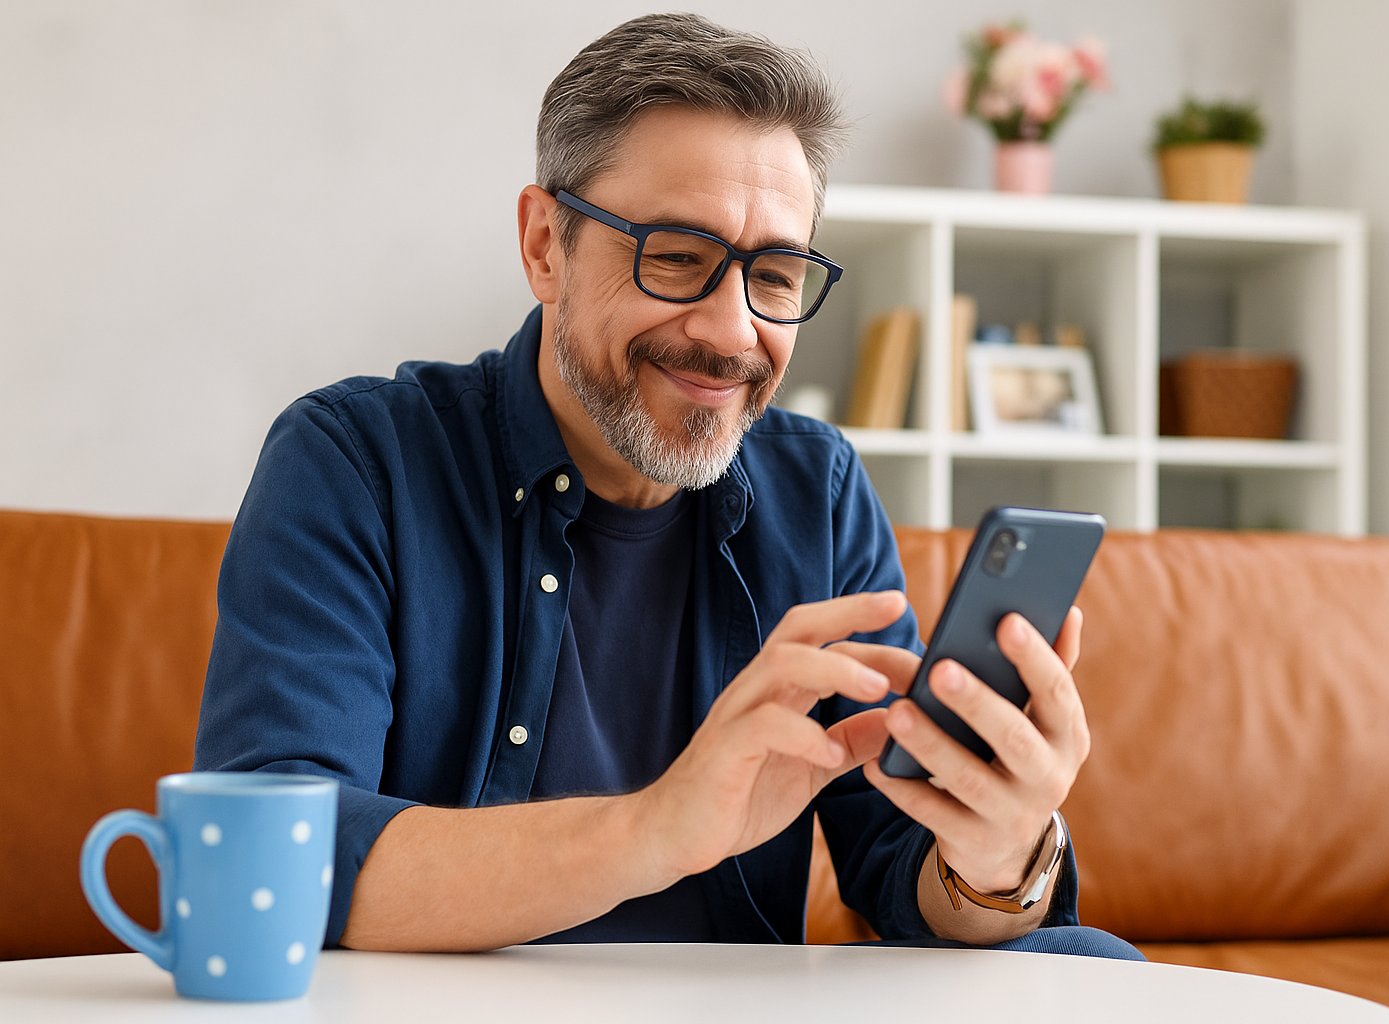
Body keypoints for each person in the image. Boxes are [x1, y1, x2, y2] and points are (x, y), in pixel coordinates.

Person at [194, 13, 1140, 960]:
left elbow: (899, 864)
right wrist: (656, 829)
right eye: (678, 258)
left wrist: (1000, 854)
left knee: (1090, 969)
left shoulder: (818, 491)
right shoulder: (356, 462)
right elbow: (268, 861)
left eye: (774, 275)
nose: (731, 333)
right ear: (544, 246)